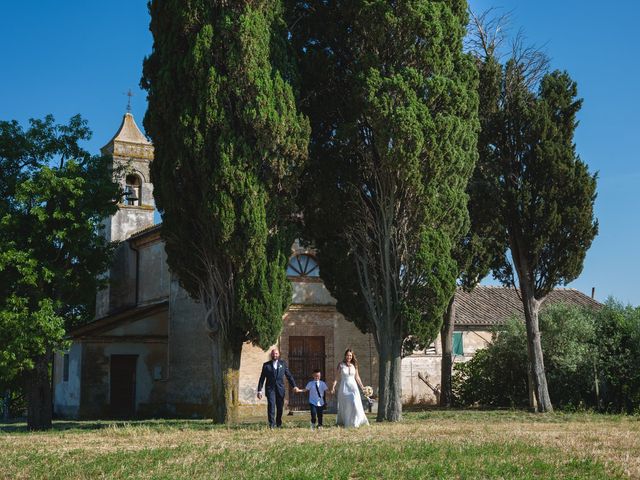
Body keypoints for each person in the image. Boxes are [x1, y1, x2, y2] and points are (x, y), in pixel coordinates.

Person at [257, 348, 297, 428]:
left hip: (280, 389)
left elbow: (289, 376)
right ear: (271, 355)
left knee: (279, 407)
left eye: (276, 354)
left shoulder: (283, 364)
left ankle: (278, 423)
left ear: (279, 355)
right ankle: (271, 424)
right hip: (270, 389)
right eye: (273, 354)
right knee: (271, 405)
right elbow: (262, 378)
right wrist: (259, 390)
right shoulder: (266, 365)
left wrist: (294, 386)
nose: (274, 355)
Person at [331, 348, 369, 428]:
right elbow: (337, 377)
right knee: (347, 405)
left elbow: (357, 377)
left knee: (355, 402)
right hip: (344, 387)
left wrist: (362, 387)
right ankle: (347, 422)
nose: (349, 357)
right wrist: (333, 387)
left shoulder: (354, 365)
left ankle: (355, 422)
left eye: (350, 355)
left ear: (352, 356)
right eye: (348, 355)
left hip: (353, 387)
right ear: (345, 356)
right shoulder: (341, 365)